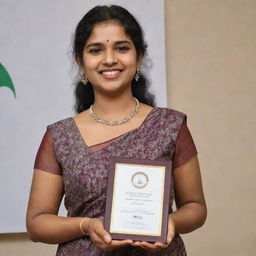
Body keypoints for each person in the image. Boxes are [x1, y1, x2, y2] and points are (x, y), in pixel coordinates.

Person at [26, 5, 207, 256]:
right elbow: (36, 223)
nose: (110, 59)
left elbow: (196, 207)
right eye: (96, 50)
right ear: (80, 61)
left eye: (122, 48)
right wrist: (87, 225)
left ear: (139, 57)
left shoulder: (170, 126)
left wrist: (170, 223)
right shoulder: (60, 136)